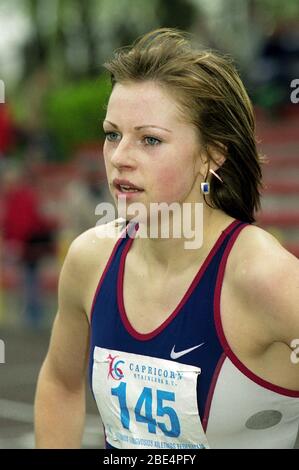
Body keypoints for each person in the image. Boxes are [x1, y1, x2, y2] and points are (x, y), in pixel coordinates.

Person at [34, 28, 299, 449]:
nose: (120, 157)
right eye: (112, 134)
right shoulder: (90, 259)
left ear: (212, 155)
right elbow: (61, 382)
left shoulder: (266, 277)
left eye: (150, 139)